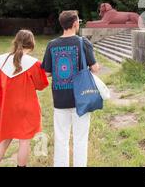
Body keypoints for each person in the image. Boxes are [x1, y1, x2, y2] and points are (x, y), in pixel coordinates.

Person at [41, 10, 100, 167]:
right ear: (75, 23)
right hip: (81, 98)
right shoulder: (83, 42)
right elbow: (95, 68)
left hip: (60, 99)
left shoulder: (51, 45)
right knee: (80, 139)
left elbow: (46, 72)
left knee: (61, 139)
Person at [0, 30, 49, 167]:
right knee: (24, 141)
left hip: (6, 108)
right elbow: (41, 85)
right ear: (32, 44)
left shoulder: (0, 60)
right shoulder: (34, 63)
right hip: (27, 108)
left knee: (4, 141)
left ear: (15, 41)